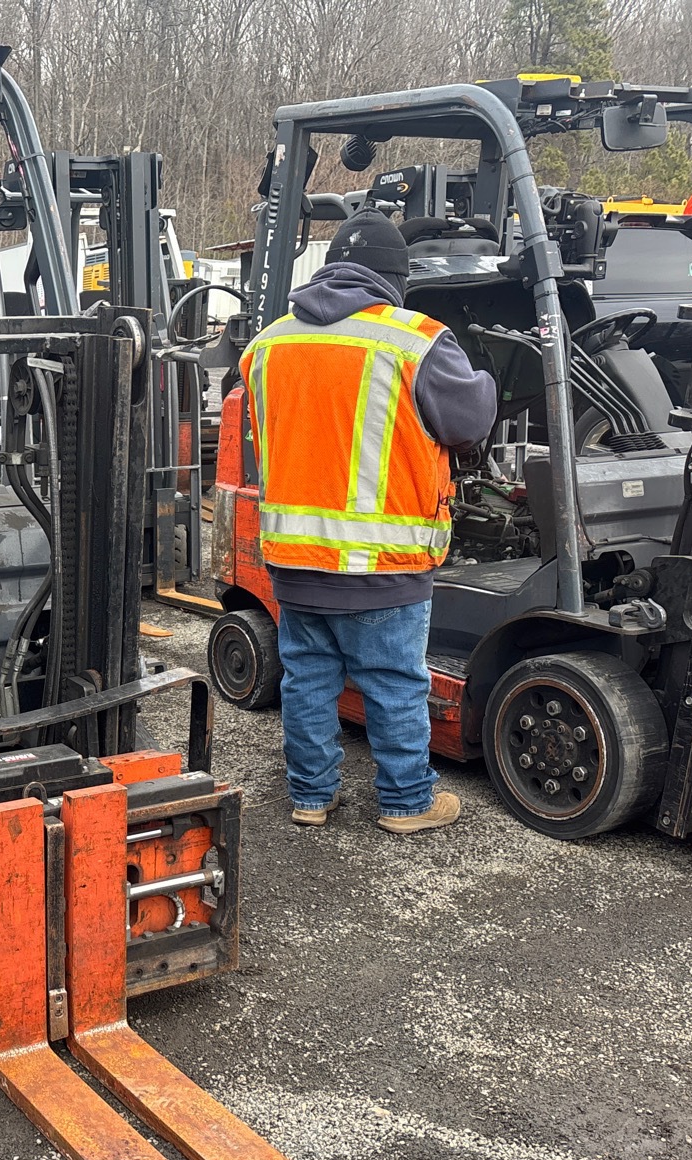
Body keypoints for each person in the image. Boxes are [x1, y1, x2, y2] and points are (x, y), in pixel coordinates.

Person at [237, 211, 497, 834]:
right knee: (393, 682)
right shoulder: (415, 340)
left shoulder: (268, 344)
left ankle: (310, 797)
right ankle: (407, 802)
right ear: (395, 280)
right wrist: (488, 376)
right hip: (383, 564)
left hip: (296, 558)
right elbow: (469, 423)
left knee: (306, 681)